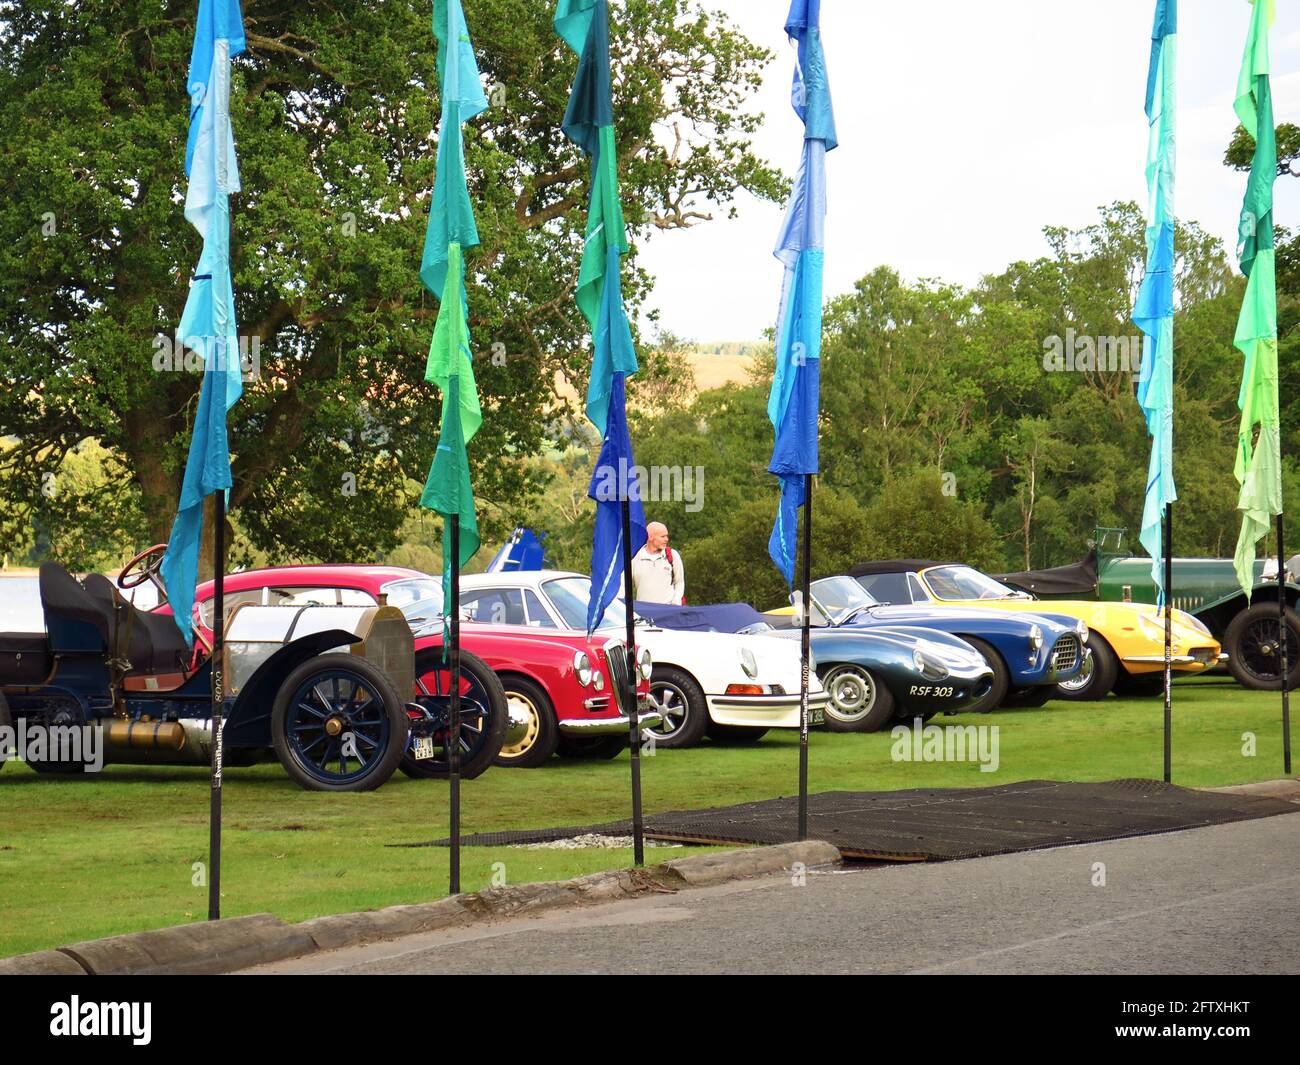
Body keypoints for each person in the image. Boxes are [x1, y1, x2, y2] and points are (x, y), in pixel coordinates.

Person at [632, 522, 685, 605]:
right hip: (644, 612)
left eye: (667, 536)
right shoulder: (635, 557)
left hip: (669, 611)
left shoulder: (672, 555)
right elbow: (624, 586)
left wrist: (676, 602)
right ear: (650, 537)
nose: (666, 539)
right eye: (662, 536)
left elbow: (679, 582)